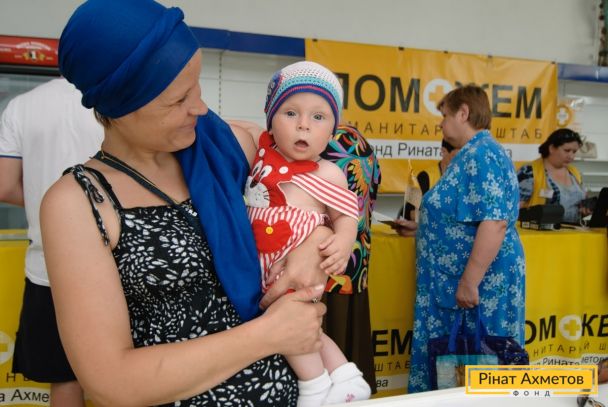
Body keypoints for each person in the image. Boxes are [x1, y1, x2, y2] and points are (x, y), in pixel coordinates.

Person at [40, 1, 329, 406]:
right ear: (121, 107)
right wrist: (268, 335)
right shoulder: (80, 203)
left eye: (197, 86)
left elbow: (336, 183)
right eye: (177, 100)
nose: (201, 108)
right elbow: (110, 381)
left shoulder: (229, 148)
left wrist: (313, 242)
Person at [234, 62, 372, 406]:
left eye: (318, 117)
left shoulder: (328, 173)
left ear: (332, 130)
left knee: (291, 322)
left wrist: (343, 241)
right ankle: (346, 376)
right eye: (290, 113)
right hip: (262, 265)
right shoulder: (260, 157)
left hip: (294, 265)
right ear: (271, 120)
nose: (303, 125)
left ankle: (314, 387)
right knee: (308, 327)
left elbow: (346, 215)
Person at [407, 84, 525, 393]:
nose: (441, 124)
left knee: (477, 361)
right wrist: (422, 230)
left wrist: (470, 281)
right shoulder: (472, 154)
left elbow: (495, 222)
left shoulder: (481, 155)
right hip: (453, 283)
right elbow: (463, 217)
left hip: (475, 286)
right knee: (457, 366)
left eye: (445, 115)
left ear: (463, 113)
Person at [0, 77, 103, 406]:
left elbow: (4, 185)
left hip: (47, 268)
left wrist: (50, 209)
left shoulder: (21, 106)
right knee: (125, 379)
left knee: (64, 380)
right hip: (113, 262)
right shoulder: (116, 99)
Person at [320, 124, 381, 396]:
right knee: (349, 353)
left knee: (323, 365)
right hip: (355, 266)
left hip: (325, 266)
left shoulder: (328, 143)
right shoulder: (360, 141)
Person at [517, 128, 591, 224]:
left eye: (574, 152)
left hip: (574, 231)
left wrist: (586, 209)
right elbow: (514, 208)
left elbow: (582, 202)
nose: (571, 156)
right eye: (567, 150)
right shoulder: (529, 172)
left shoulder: (575, 173)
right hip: (540, 232)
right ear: (551, 148)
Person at [398, 138, 459, 220]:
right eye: (456, 156)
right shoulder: (425, 177)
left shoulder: (465, 177)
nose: (461, 160)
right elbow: (411, 213)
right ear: (443, 151)